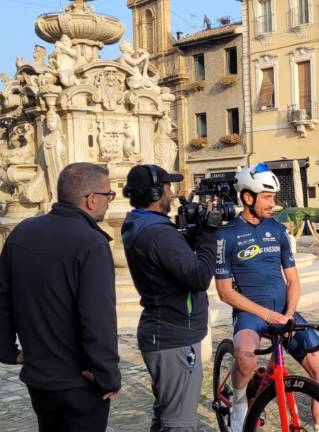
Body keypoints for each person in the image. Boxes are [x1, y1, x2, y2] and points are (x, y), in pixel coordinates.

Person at [0, 162, 121, 431]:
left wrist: (6, 351)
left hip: (40, 377)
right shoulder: (91, 243)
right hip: (80, 381)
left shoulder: (23, 231)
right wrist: (108, 376)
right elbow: (97, 317)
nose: (110, 201)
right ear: (91, 200)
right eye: (108, 195)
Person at [214, 163, 319, 432]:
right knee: (246, 356)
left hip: (284, 312)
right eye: (267, 197)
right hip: (250, 315)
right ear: (248, 197)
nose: (274, 204)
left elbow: (292, 280)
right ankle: (239, 401)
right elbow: (224, 292)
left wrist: (290, 314)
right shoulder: (226, 235)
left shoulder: (278, 230)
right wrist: (267, 315)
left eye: (274, 197)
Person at [121, 164, 221, 432]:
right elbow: (199, 276)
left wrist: (192, 235)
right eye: (167, 188)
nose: (172, 194)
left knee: (166, 417)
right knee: (180, 424)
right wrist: (209, 236)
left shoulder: (140, 224)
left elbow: (171, 261)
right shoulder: (159, 234)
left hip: (164, 332)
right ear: (155, 192)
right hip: (174, 337)